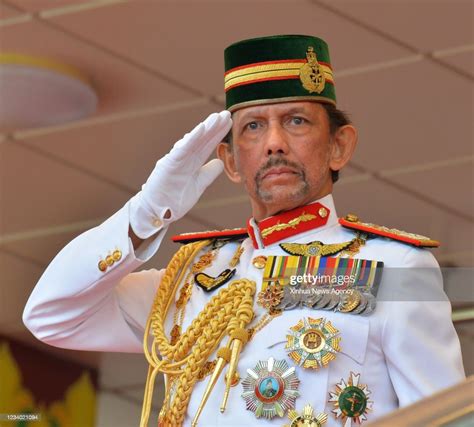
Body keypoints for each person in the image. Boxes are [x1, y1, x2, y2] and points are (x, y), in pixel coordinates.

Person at [23, 35, 465, 427]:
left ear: (338, 146)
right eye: (253, 127)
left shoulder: (395, 267)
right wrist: (144, 215)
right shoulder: (191, 278)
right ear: (231, 161)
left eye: (296, 121)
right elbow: (51, 315)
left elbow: (445, 417)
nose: (274, 142)